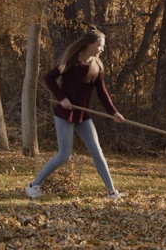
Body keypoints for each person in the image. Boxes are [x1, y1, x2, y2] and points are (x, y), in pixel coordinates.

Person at [26, 26, 127, 200]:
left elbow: (103, 93)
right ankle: (33, 185)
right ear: (89, 44)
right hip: (64, 115)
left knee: (97, 152)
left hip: (83, 116)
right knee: (64, 155)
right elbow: (49, 78)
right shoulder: (71, 62)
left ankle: (112, 192)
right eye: (100, 45)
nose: (102, 49)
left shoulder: (96, 67)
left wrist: (114, 113)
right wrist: (62, 98)